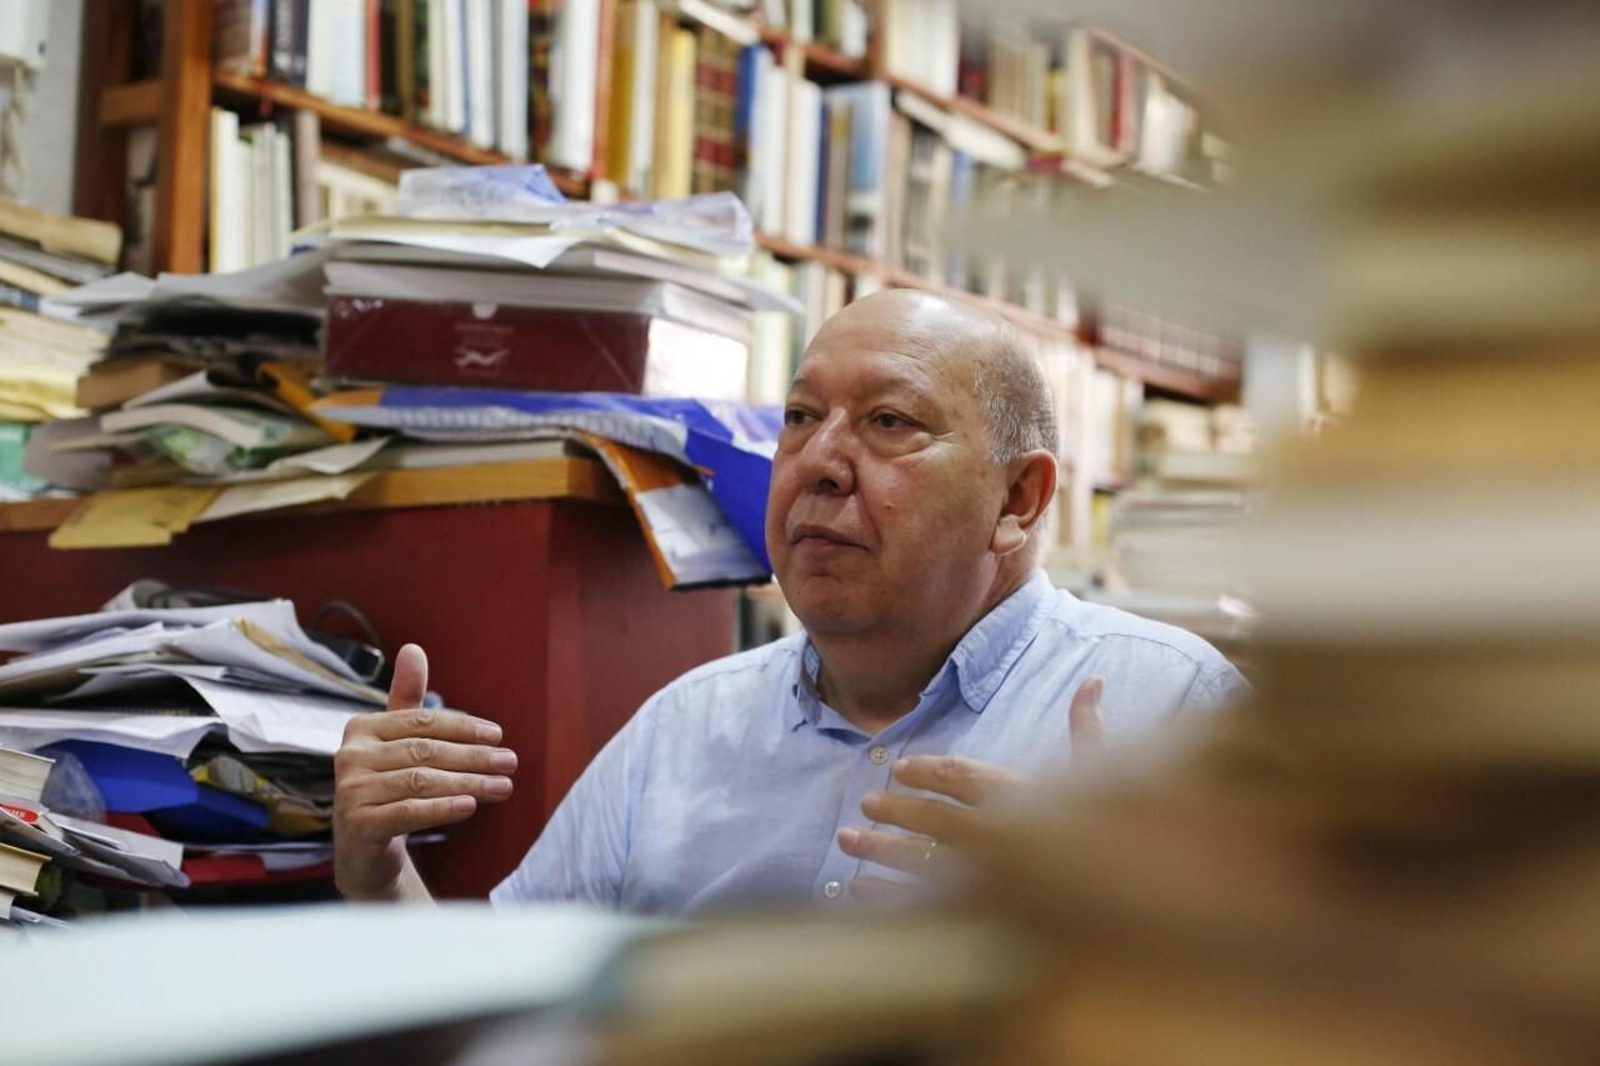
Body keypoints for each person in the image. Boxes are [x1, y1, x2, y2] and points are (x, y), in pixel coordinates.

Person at [333, 290, 1247, 911]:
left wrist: (1124, 938)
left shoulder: (1169, 712)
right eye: (801, 418)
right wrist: (380, 877)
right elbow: (501, 1017)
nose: (817, 462)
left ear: (1019, 501)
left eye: (890, 422)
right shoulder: (685, 728)